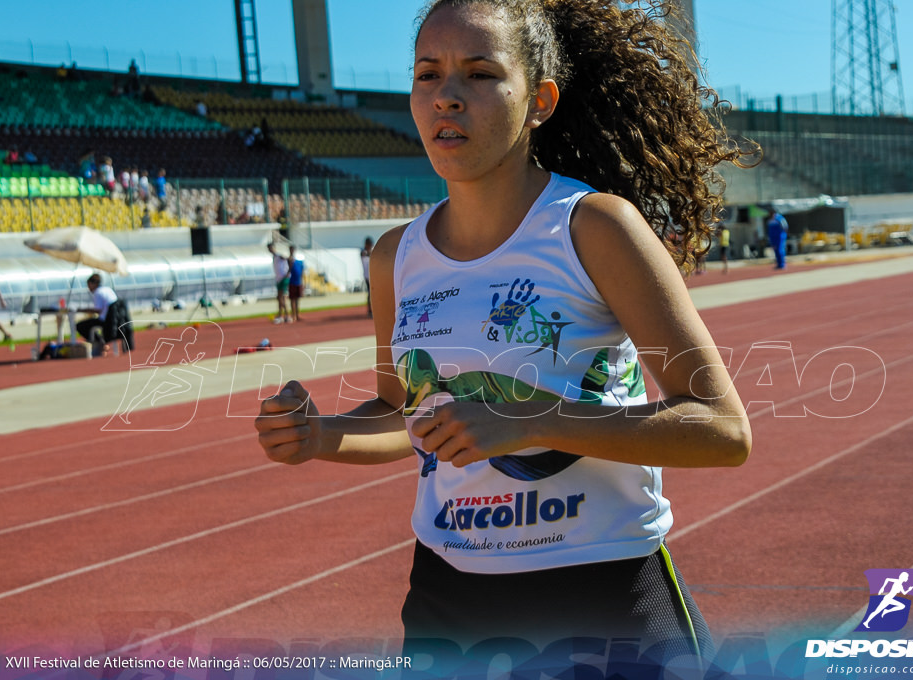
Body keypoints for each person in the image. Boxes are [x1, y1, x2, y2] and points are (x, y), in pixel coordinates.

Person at [255, 0, 753, 670]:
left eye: (481, 74)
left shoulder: (595, 229)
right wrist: (322, 436)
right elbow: (406, 416)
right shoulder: (394, 258)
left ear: (540, 100)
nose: (448, 98)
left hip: (602, 591)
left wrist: (529, 421)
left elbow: (722, 429)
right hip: (448, 600)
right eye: (428, 75)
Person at [75, 273, 118, 345]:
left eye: (89, 285)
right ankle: (99, 340)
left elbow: (98, 310)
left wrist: (83, 310)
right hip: (115, 319)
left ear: (94, 284)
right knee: (89, 324)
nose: (88, 288)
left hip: (105, 320)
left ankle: (99, 342)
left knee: (80, 326)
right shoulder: (108, 289)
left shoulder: (98, 292)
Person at [267, 242, 289, 324]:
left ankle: (285, 316)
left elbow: (288, 259)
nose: (270, 250)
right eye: (269, 248)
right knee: (279, 298)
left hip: (283, 278)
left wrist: (288, 272)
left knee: (282, 297)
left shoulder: (279, 255)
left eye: (270, 248)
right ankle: (282, 315)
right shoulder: (274, 257)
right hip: (279, 279)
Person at [287, 245, 305, 322]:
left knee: (297, 300)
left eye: (293, 250)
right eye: (291, 250)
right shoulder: (289, 260)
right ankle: (293, 315)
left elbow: (302, 272)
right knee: (292, 300)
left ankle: (297, 315)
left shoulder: (299, 261)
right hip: (292, 282)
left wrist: (303, 282)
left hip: (298, 282)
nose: (292, 251)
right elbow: (288, 268)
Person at [360, 236, 374, 317]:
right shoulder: (363, 252)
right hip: (367, 276)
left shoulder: (371, 251)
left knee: (373, 294)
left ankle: (373, 310)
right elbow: (365, 254)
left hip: (372, 276)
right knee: (370, 294)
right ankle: (370, 310)